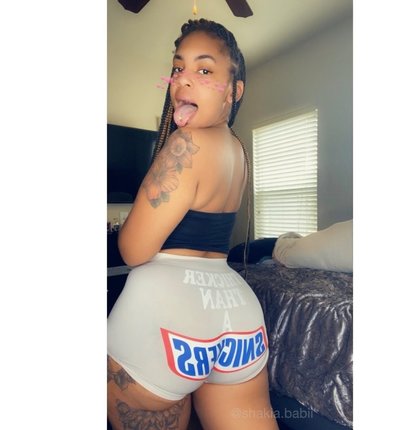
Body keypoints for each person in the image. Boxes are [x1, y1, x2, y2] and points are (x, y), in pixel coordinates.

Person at [107, 18, 279, 430]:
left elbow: (133, 249)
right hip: (238, 320)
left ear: (234, 91)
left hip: (165, 319)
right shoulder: (238, 150)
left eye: (204, 70)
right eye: (178, 67)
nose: (183, 79)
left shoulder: (186, 143)